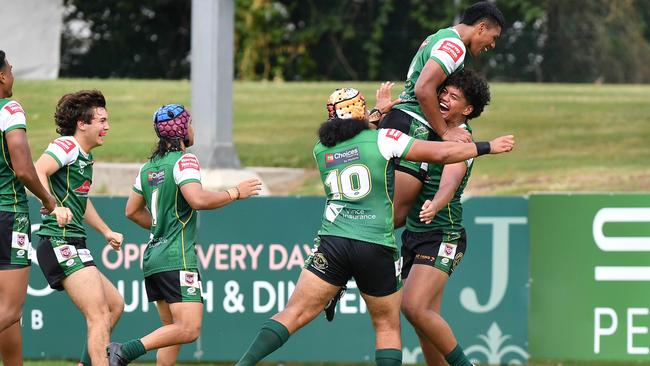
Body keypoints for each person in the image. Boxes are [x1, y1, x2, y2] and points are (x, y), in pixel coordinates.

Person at [234, 87, 514, 366]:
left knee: (292, 314)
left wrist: (379, 112)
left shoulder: (321, 149)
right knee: (387, 327)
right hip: (376, 244)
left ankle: (243, 364)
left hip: (333, 241)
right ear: (360, 113)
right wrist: (487, 147)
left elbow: (358, 131)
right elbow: (440, 154)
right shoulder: (384, 139)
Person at [106, 104, 262, 366]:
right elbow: (197, 199)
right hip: (177, 257)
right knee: (188, 330)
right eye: (190, 123)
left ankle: (125, 351)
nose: (193, 128)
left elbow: (131, 211)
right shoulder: (185, 160)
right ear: (182, 131)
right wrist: (235, 192)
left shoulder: (148, 168)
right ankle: (125, 350)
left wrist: (160, 227)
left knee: (172, 333)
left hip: (154, 258)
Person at [379, 1, 505, 228]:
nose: (493, 45)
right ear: (481, 27)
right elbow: (423, 88)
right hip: (411, 125)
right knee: (393, 217)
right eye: (494, 37)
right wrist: (445, 131)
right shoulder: (454, 47)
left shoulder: (441, 36)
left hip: (399, 121)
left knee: (387, 213)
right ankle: (345, 258)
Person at [400, 69, 491, 366]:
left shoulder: (462, 140)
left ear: (467, 110)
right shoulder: (435, 131)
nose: (444, 98)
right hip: (415, 234)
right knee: (426, 322)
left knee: (413, 307)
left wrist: (436, 204)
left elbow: (450, 182)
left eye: (454, 97)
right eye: (444, 92)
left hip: (443, 234)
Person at [34, 90, 125, 366]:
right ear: (81, 124)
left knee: (114, 306)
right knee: (98, 314)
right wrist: (52, 205)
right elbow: (37, 169)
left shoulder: (83, 157)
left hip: (74, 241)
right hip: (58, 240)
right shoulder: (67, 146)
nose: (107, 127)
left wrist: (106, 231)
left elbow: (80, 202)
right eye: (101, 120)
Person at [0, 50, 70, 366]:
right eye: (11, 70)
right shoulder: (9, 109)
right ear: (2, 76)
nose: (13, 75)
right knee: (11, 309)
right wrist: (47, 199)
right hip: (8, 213)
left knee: (4, 311)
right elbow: (24, 168)